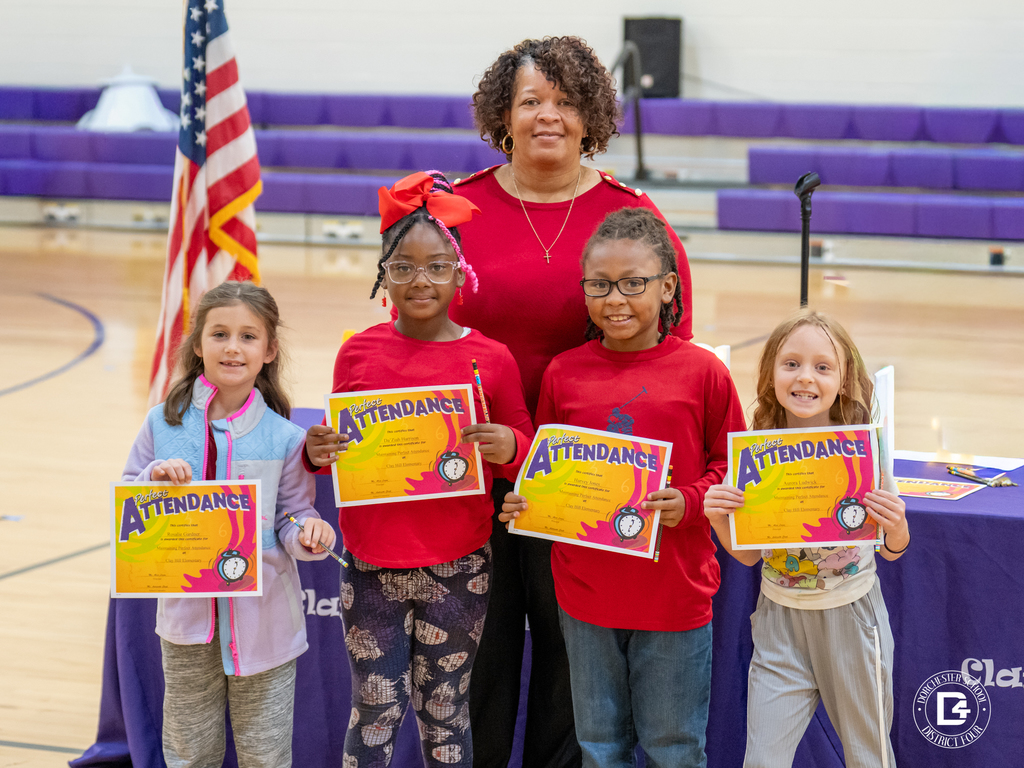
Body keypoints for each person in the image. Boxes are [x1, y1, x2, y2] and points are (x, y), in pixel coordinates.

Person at [452, 36, 695, 768]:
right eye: (531, 101)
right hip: (473, 477)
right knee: (481, 655)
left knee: (572, 664)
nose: (547, 116)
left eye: (564, 101)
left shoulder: (635, 218)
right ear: (505, 114)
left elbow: (673, 352)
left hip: (586, 481)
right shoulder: (456, 209)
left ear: (593, 115)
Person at [304, 171, 535, 768]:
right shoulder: (357, 351)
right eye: (402, 267)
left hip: (461, 563)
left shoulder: (491, 359)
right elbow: (344, 456)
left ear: (461, 274)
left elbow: (527, 451)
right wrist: (320, 450)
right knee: (374, 713)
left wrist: (506, 442)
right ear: (384, 275)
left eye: (436, 266)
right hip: (371, 564)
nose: (420, 280)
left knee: (447, 712)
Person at [501, 208, 745, 768]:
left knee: (674, 748)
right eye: (600, 285)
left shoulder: (703, 372)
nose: (616, 299)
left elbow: (733, 469)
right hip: (586, 593)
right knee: (599, 747)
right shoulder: (564, 372)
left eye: (633, 283)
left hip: (675, 593)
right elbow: (549, 471)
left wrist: (689, 500)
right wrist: (528, 501)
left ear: (666, 288)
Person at [121, 281, 336, 768]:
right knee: (190, 752)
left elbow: (293, 514)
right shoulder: (161, 423)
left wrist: (309, 534)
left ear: (269, 349)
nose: (233, 347)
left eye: (247, 336)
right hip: (186, 624)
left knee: (265, 754)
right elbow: (129, 507)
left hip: (266, 628)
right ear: (198, 345)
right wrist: (155, 482)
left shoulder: (285, 437)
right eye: (219, 334)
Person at [703, 310, 910, 768]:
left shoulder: (862, 449)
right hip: (779, 619)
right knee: (761, 760)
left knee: (868, 757)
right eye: (791, 363)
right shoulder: (757, 450)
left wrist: (896, 527)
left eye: (822, 366)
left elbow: (894, 548)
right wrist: (719, 518)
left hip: (852, 619)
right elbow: (749, 555)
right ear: (771, 373)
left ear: (843, 378)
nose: (805, 378)